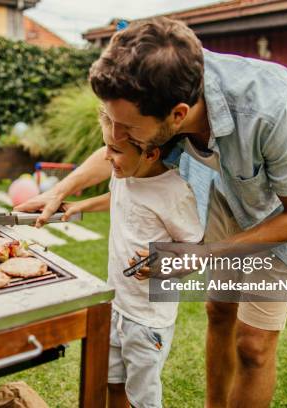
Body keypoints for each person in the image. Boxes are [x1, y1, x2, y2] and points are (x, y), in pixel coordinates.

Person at [16, 17, 287, 408]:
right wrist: (61, 189)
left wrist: (200, 254)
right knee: (218, 312)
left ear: (178, 116)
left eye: (126, 127)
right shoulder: (156, 89)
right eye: (110, 120)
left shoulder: (271, 105)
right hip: (223, 195)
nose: (114, 136)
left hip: (282, 211)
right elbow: (121, 151)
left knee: (253, 346)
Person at [61, 110, 203, 408]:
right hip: (116, 305)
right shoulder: (124, 175)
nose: (107, 157)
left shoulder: (174, 192)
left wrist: (163, 264)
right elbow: (119, 200)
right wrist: (81, 204)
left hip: (147, 319)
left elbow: (196, 251)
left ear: (150, 153)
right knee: (113, 384)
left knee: (143, 399)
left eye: (114, 150)